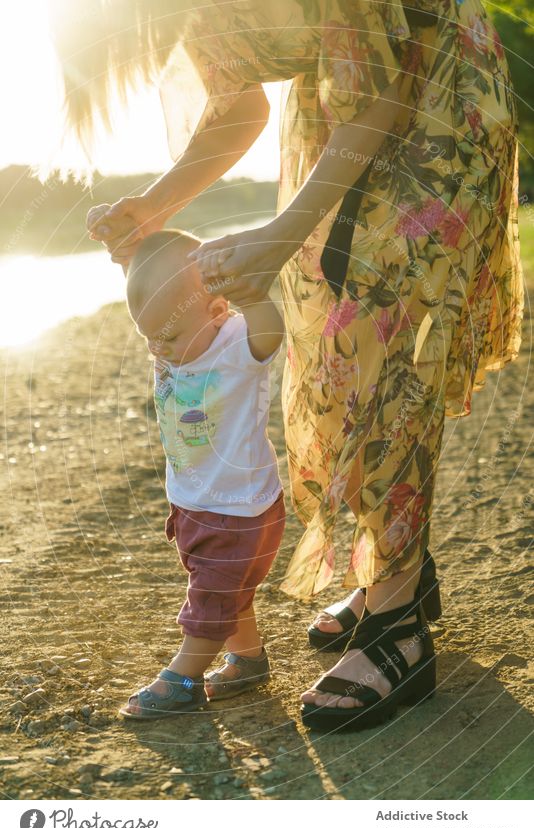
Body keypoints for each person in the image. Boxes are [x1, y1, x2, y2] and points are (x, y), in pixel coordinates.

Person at [49, 0, 523, 731]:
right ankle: (399, 569)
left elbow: (390, 86)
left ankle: (399, 624)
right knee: (330, 347)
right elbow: (239, 109)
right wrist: (153, 207)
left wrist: (282, 234)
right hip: (336, 126)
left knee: (380, 345)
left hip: (427, 103)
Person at [118, 228, 286, 719]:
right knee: (228, 591)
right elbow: (150, 279)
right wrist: (124, 246)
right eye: (148, 336)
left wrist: (253, 297)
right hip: (193, 502)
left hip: (237, 508)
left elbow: (269, 334)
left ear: (216, 313)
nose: (158, 348)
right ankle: (249, 658)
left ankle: (184, 677)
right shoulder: (171, 337)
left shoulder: (236, 346)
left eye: (168, 335)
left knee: (212, 595)